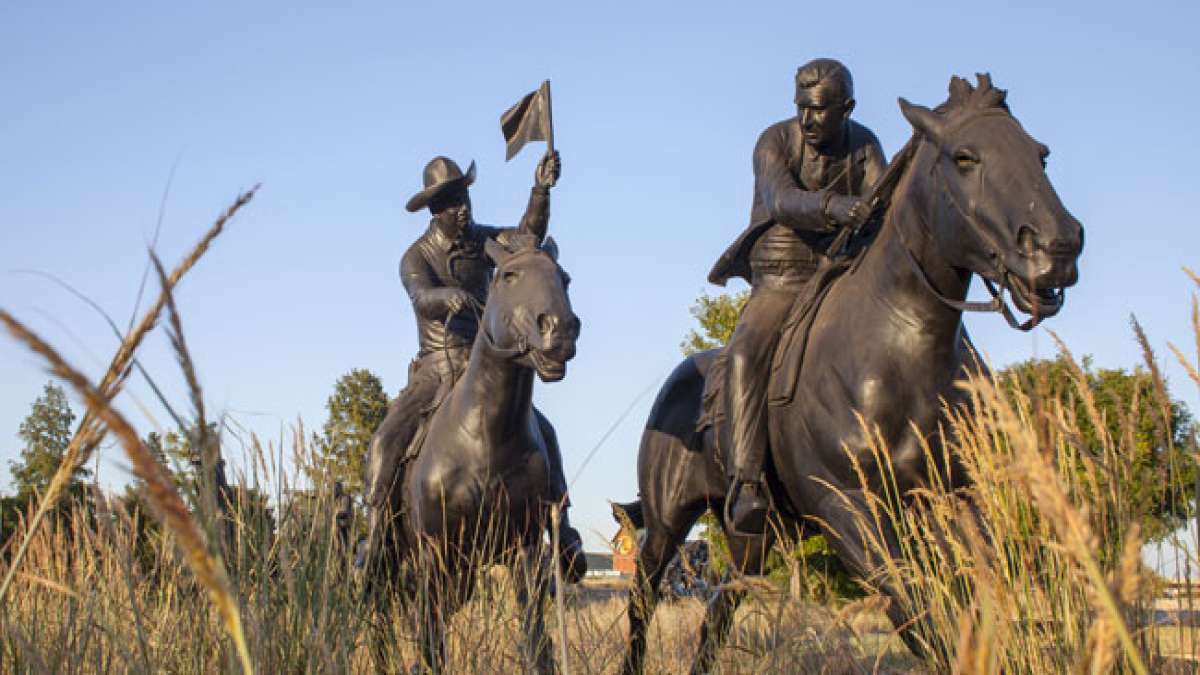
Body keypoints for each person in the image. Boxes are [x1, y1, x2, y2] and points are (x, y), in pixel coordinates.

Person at [362, 152, 582, 573]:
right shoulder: (417, 256)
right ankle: (376, 538)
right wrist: (445, 297)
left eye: (464, 199)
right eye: (451, 203)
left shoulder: (485, 243)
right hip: (437, 367)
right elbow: (420, 296)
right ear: (435, 210)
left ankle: (564, 529)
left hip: (483, 366)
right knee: (385, 442)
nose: (462, 209)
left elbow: (527, 238)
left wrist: (540, 190)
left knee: (544, 431)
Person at [708, 58, 887, 534]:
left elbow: (883, 205)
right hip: (782, 275)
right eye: (802, 107)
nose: (808, 120)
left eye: (820, 110)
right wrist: (836, 206)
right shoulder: (775, 140)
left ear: (846, 108)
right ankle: (746, 480)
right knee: (746, 350)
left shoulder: (866, 144)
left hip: (841, 274)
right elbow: (782, 199)